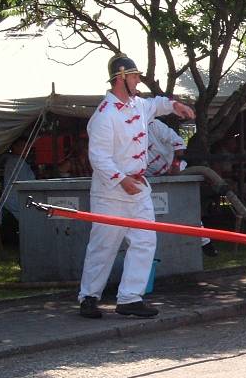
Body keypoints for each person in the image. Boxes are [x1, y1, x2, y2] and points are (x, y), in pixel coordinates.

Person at [78, 54, 195, 319]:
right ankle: (88, 296)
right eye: (133, 76)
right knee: (104, 245)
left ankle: (130, 297)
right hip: (111, 191)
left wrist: (175, 105)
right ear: (120, 78)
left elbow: (157, 104)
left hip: (138, 187)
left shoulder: (137, 105)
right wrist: (121, 179)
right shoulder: (104, 116)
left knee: (145, 240)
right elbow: (99, 157)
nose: (138, 80)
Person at [147, 118, 218, 256]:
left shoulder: (154, 125)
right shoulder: (125, 134)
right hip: (152, 180)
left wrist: (175, 166)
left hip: (177, 173)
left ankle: (205, 242)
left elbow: (178, 142)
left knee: (186, 209)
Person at [0, 137, 36, 222]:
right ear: (14, 147)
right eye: (22, 146)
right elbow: (27, 184)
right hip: (15, 202)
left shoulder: (15, 161)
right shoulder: (17, 162)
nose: (25, 148)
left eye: (27, 146)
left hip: (13, 202)